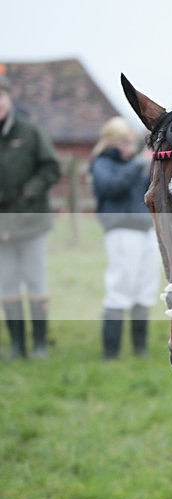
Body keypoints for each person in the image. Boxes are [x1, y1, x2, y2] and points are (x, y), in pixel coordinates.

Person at [0, 74, 61, 359]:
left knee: (35, 282)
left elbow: (51, 167)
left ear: (8, 99)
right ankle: (17, 346)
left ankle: (38, 345)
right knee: (7, 284)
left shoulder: (29, 131)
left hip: (31, 220)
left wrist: (32, 189)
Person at [90, 117, 160, 359]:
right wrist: (139, 164)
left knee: (145, 289)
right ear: (113, 142)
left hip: (146, 231)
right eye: (126, 142)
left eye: (132, 141)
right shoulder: (102, 164)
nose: (131, 146)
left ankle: (140, 348)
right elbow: (111, 187)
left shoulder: (134, 165)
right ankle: (111, 352)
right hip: (121, 233)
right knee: (120, 288)